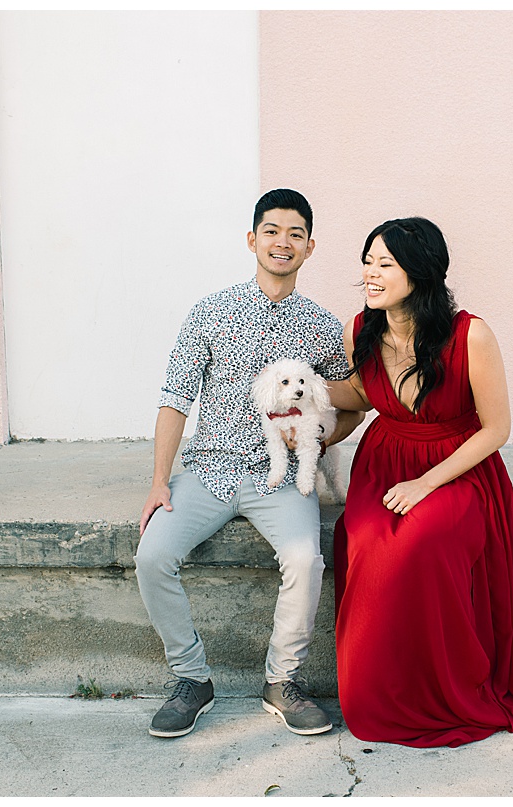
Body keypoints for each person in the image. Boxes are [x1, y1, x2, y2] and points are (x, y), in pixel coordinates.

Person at [326, 217, 513, 747]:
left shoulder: (471, 335)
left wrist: (425, 484)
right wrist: (304, 396)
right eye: (367, 261)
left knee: (424, 542)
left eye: (385, 264)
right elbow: (364, 396)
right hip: (385, 461)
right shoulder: (360, 329)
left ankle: (443, 690)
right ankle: (378, 694)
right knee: (366, 542)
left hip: (457, 467)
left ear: (421, 271)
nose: (371, 274)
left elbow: (497, 429)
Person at [135, 189, 363, 739]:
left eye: (295, 234)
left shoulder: (322, 325)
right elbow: (175, 397)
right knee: (152, 554)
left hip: (280, 477)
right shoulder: (210, 311)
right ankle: (191, 680)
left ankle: (282, 682)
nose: (282, 242)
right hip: (209, 469)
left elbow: (352, 398)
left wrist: (318, 437)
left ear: (310, 247)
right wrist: (158, 482)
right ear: (252, 239)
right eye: (272, 231)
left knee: (307, 560)